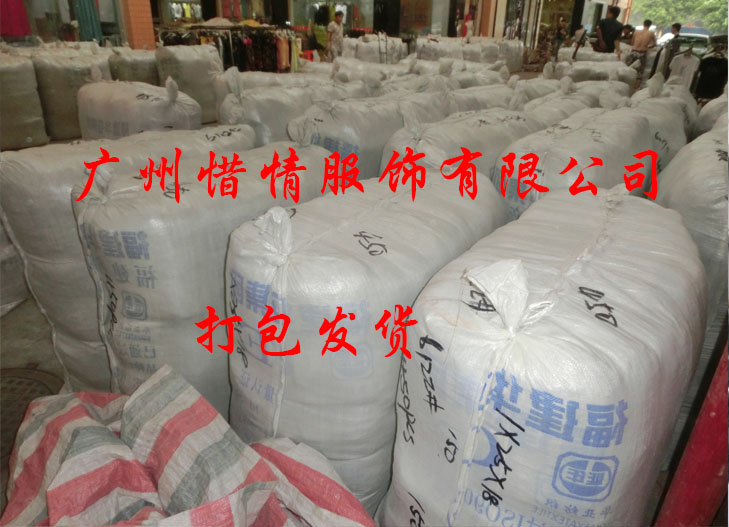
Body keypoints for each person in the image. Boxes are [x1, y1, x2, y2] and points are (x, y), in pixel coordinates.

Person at [628, 20, 656, 88]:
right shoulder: (651, 33)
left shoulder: (636, 32)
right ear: (650, 25)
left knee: (630, 68)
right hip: (642, 53)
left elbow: (632, 43)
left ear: (643, 24)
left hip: (633, 52)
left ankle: (628, 84)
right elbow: (654, 44)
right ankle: (636, 88)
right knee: (639, 72)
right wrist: (647, 47)